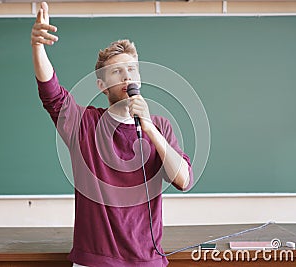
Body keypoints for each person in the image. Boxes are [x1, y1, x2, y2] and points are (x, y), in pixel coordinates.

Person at [31, 2, 194, 266]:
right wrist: (37, 47)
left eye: (132, 70)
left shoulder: (160, 126)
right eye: (117, 72)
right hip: (95, 262)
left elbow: (183, 180)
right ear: (102, 85)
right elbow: (51, 94)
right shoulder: (84, 123)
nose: (127, 77)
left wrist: (149, 127)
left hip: (147, 260)